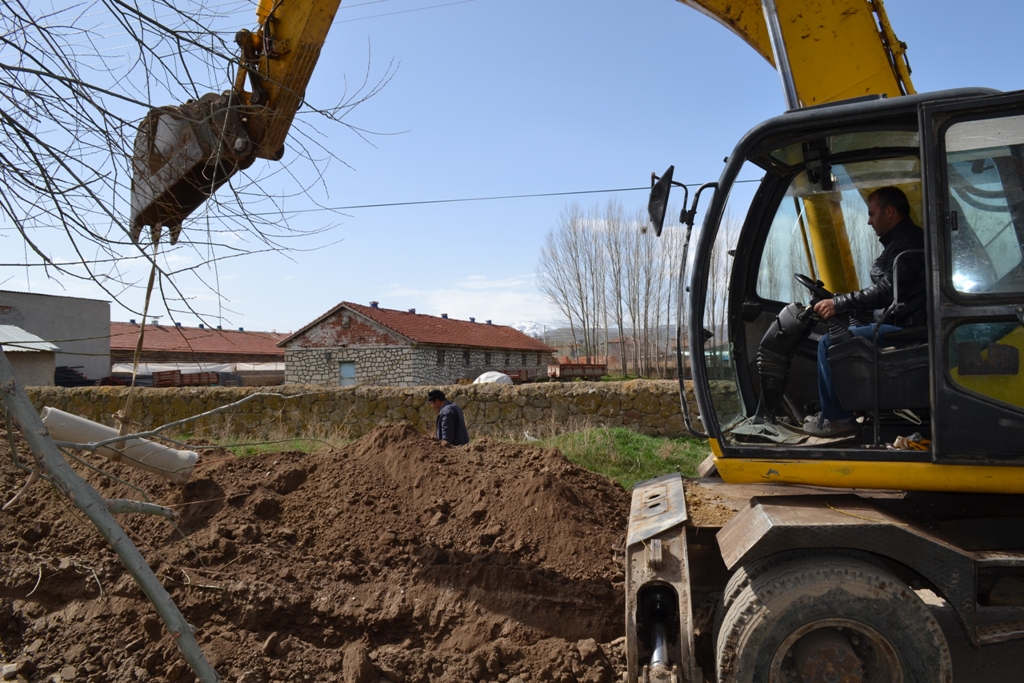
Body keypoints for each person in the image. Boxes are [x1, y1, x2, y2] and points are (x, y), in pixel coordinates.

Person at [806, 186, 926, 437]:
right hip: (903, 318)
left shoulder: (907, 243)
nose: (869, 221)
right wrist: (844, 302)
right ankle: (849, 405)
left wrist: (839, 303)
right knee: (847, 331)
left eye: (872, 214)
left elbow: (887, 291)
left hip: (907, 326)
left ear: (889, 212)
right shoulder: (902, 240)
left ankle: (838, 420)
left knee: (829, 344)